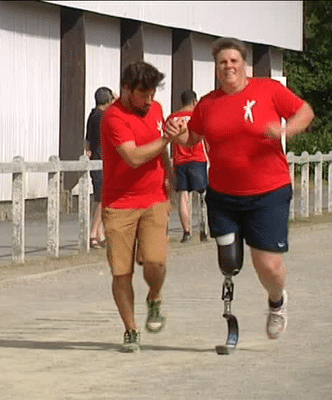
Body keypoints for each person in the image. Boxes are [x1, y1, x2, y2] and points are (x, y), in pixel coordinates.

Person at [166, 37, 315, 340]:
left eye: (234, 61)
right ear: (216, 68)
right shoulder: (207, 104)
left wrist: (285, 130)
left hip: (268, 192)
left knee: (268, 265)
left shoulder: (268, 90)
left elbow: (305, 112)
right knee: (229, 261)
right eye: (223, 62)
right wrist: (174, 134)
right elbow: (191, 140)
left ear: (244, 64)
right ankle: (230, 298)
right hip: (223, 195)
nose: (228, 67)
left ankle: (277, 302)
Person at [101, 61, 175, 352]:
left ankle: (154, 297)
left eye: (153, 93)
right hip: (120, 203)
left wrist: (170, 176)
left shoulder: (155, 110)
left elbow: (161, 149)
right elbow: (133, 157)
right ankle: (131, 330)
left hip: (154, 197)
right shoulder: (113, 118)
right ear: (126, 89)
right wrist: (165, 139)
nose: (149, 100)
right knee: (122, 272)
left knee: (156, 261)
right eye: (143, 94)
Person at [167, 89, 209, 243]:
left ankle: (187, 231)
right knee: (202, 194)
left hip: (180, 160)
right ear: (193, 102)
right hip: (197, 158)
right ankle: (203, 229)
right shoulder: (197, 117)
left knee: (183, 195)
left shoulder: (172, 118)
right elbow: (206, 138)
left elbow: (168, 140)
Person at [85, 86, 114, 249]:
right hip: (101, 161)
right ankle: (93, 233)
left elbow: (88, 140)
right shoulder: (103, 117)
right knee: (101, 199)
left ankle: (101, 233)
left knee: (105, 199)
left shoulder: (93, 115)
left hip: (100, 159)